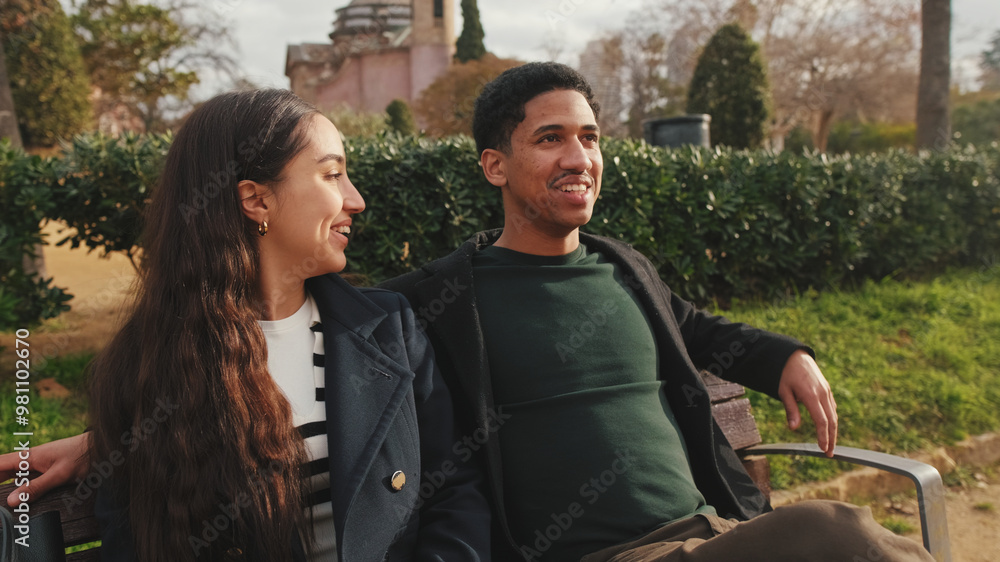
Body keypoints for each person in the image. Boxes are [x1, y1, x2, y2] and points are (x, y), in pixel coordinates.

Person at [378, 62, 935, 561]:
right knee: (835, 532)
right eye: (550, 139)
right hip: (617, 555)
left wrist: (785, 357)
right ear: (495, 166)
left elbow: (697, 329)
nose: (579, 159)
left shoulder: (622, 268)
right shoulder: (438, 301)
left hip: (715, 533)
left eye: (590, 138)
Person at [0, 89, 489, 561]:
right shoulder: (151, 364)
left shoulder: (388, 328)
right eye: (332, 175)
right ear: (256, 199)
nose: (356, 200)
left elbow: (453, 490)